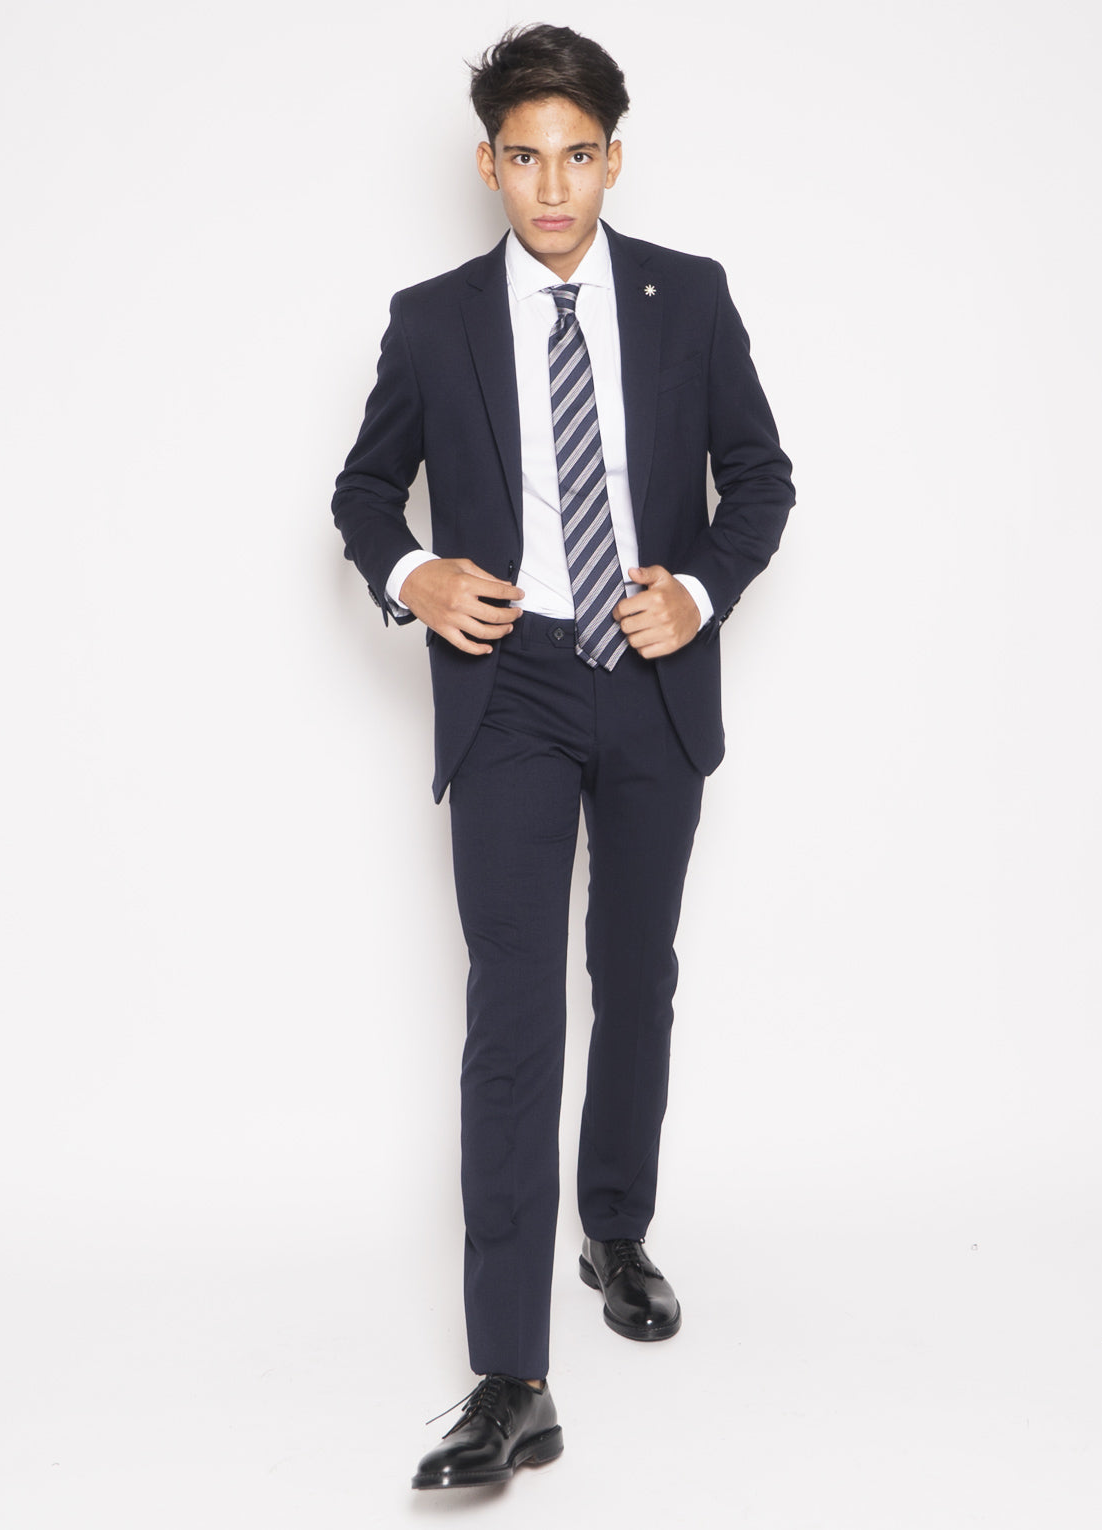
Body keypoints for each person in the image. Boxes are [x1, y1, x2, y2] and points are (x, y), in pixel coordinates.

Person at [330, 22, 795, 1491]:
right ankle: (510, 1377)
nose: (551, 186)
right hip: (510, 682)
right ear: (487, 164)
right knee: (515, 1011)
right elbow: (362, 491)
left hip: (651, 676)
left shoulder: (687, 296)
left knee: (636, 975)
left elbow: (761, 476)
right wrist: (414, 575)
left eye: (576, 156)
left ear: (612, 159)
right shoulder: (432, 319)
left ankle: (615, 1227)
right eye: (523, 157)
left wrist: (698, 590)